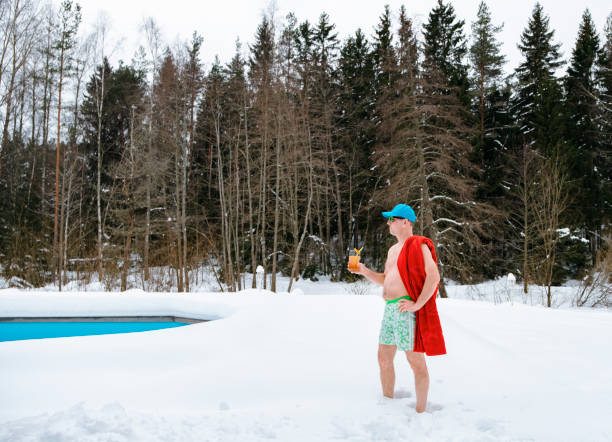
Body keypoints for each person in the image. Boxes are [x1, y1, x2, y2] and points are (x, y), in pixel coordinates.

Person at [348, 203, 446, 413]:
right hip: (390, 310)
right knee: (383, 358)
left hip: (405, 309)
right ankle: (387, 404)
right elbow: (385, 279)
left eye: (392, 219)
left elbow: (434, 275)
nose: (388, 223)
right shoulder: (393, 250)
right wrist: (364, 271)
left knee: (415, 360)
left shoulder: (419, 245)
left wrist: (417, 304)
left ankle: (421, 411)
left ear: (405, 222)